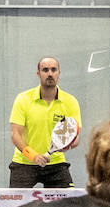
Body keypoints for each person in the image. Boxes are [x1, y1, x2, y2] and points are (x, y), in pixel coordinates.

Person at [8, 56, 83, 188]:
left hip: (56, 164)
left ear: (59, 73)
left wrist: (67, 144)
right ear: (38, 74)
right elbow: (15, 135)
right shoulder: (23, 99)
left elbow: (75, 138)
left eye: (53, 70)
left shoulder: (71, 101)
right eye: (45, 70)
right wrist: (34, 156)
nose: (50, 74)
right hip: (24, 163)